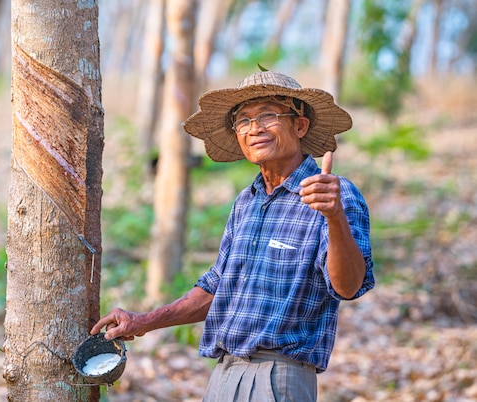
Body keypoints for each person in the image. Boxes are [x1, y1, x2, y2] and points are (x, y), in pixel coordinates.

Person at [90, 70, 375, 401]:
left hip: (279, 378)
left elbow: (348, 285)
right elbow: (217, 287)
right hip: (224, 374)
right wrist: (142, 321)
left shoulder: (334, 195)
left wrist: (334, 215)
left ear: (300, 126)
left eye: (268, 115)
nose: (254, 128)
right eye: (243, 120)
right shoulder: (246, 202)